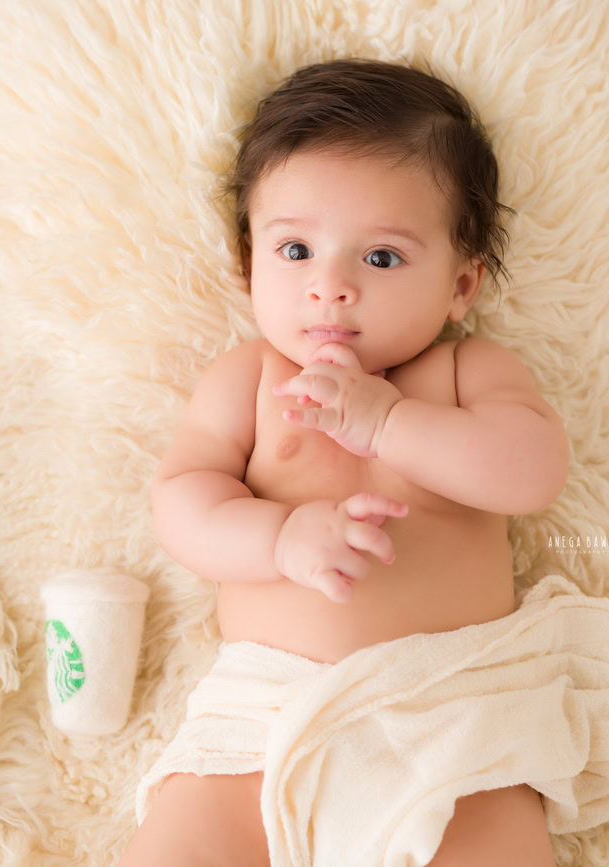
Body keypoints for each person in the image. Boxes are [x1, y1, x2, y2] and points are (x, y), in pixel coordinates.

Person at [119, 57, 569, 866]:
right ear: (248, 263)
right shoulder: (252, 379)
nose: (330, 287)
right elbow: (181, 501)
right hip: (263, 726)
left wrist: (389, 422)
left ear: (462, 284)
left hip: (450, 724)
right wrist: (279, 539)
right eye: (296, 250)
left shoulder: (463, 374)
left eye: (382, 258)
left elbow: (533, 471)